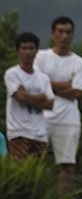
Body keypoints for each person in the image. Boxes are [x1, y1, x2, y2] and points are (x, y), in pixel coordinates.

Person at [33, 17, 82, 188]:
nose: (64, 36)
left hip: (68, 119)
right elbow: (35, 85)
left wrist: (48, 83)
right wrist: (66, 85)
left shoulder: (79, 63)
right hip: (41, 116)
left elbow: (77, 92)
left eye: (68, 32)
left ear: (72, 35)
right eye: (60, 31)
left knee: (67, 164)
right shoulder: (40, 57)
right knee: (34, 160)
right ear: (53, 34)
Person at [5, 31, 53, 161]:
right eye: (24, 48)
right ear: (18, 51)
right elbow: (20, 97)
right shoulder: (12, 74)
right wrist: (40, 97)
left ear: (36, 51)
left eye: (31, 48)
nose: (27, 52)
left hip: (39, 133)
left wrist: (27, 96)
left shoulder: (43, 78)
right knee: (20, 171)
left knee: (38, 173)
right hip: (19, 131)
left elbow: (50, 104)